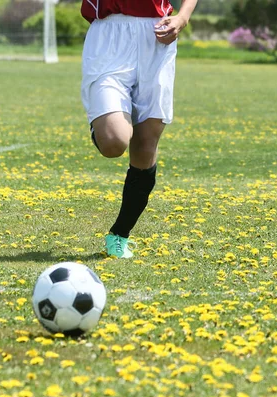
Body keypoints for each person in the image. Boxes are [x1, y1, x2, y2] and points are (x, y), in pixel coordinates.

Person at [80, 0, 197, 258]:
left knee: (145, 146)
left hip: (157, 36)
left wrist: (182, 17)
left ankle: (119, 234)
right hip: (110, 35)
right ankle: (102, 124)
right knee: (113, 141)